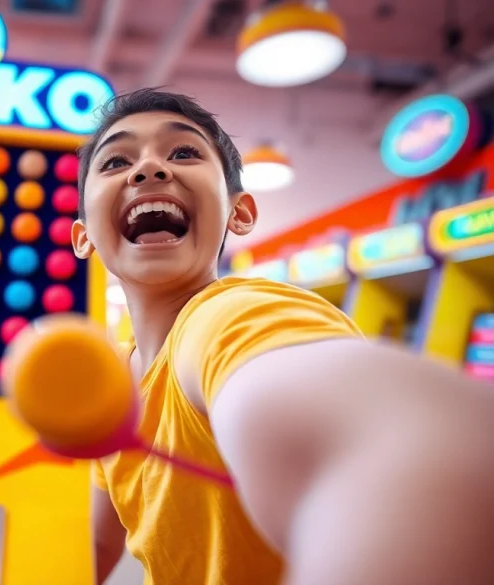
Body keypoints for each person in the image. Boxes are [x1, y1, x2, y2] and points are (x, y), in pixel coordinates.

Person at [70, 89, 494, 585]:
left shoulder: (231, 318)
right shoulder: (118, 384)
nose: (149, 170)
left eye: (183, 152)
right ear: (83, 236)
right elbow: (93, 545)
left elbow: (415, 455)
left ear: (240, 213)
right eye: (117, 159)